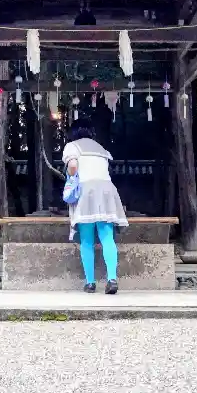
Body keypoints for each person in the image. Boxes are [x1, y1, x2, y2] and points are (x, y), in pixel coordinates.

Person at [61, 116, 129, 294]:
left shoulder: (72, 146)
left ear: (73, 132)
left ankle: (90, 283)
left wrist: (72, 177)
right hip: (107, 192)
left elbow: (73, 165)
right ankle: (112, 279)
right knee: (107, 237)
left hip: (87, 192)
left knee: (87, 240)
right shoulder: (101, 149)